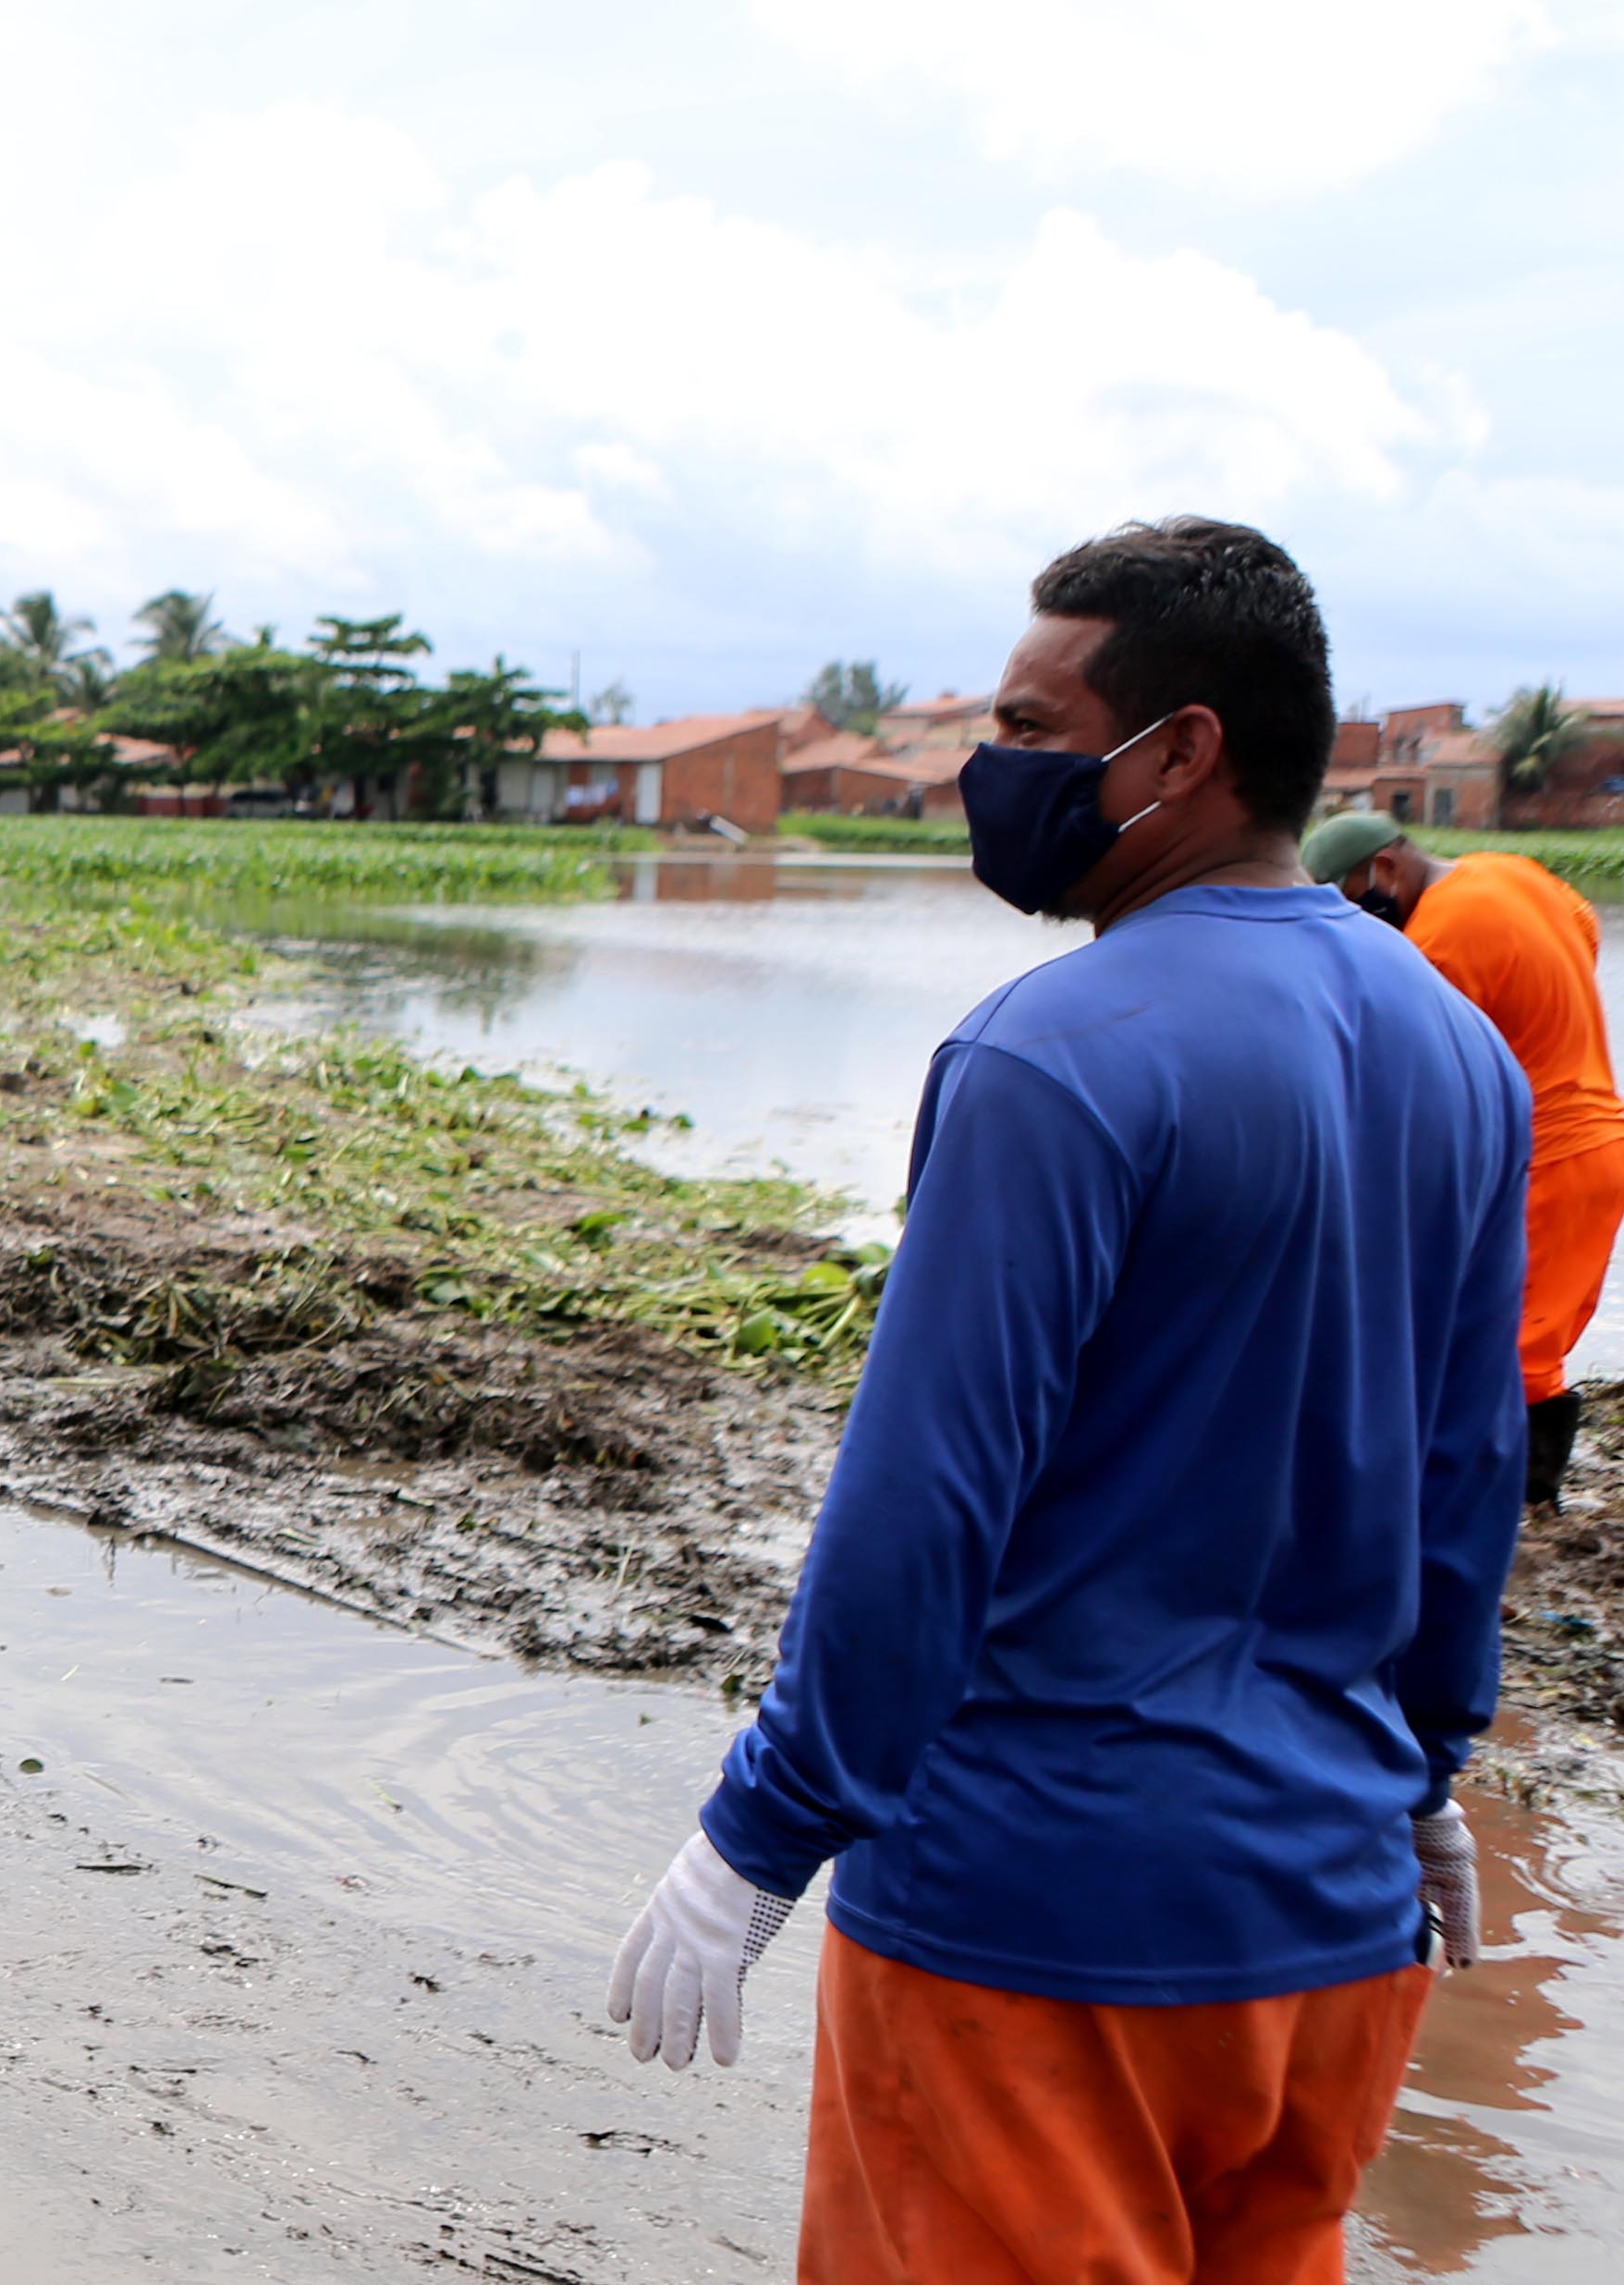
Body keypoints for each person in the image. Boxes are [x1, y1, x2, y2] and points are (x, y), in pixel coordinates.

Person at [603, 519, 1527, 2284]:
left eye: (1032, 728)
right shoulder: (1458, 1050)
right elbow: (1466, 1476)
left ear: (1181, 750)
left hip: (1040, 1918)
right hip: (1332, 1920)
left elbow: (925, 1501)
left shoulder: (1054, 1053)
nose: (992, 767)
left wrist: (760, 1832)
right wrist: (1426, 1770)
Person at [1308, 808, 1624, 1505]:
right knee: (1530, 1328)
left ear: (1384, 869)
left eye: (1350, 902)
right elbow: (1585, 933)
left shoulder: (1435, 944)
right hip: (1598, 1134)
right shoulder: (1509, 873)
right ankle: (1516, 1495)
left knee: (1516, 1344)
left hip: (1552, 1153)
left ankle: (1521, 1499)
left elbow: (1412, 1078)